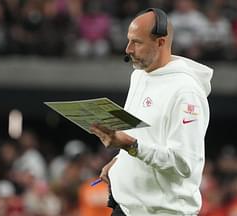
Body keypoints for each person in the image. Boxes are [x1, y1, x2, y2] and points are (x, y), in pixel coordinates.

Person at [90, 8, 213, 216]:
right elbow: (142, 135)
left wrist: (129, 146)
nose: (128, 49)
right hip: (125, 208)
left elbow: (184, 163)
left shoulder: (186, 92)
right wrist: (120, 161)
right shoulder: (139, 76)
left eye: (136, 42)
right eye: (129, 40)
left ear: (161, 42)